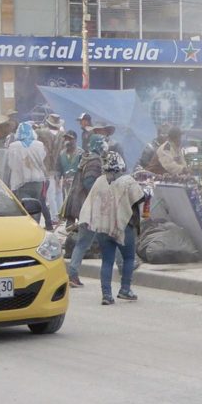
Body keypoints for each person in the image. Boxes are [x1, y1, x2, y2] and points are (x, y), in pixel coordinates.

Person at [79, 152, 145, 305]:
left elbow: (91, 203)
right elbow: (140, 198)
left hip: (103, 227)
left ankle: (106, 295)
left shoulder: (99, 181)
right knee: (128, 258)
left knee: (107, 261)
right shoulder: (127, 181)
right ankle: (125, 289)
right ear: (121, 167)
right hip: (124, 227)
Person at [63, 133, 107, 288]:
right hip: (89, 208)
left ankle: (73, 274)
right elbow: (89, 182)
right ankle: (73, 274)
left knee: (86, 242)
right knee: (87, 241)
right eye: (103, 143)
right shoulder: (95, 161)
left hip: (84, 206)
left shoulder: (86, 157)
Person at [7, 122, 53, 231]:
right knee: (35, 206)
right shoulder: (39, 145)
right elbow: (43, 159)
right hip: (38, 181)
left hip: (21, 182)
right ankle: (35, 228)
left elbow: (11, 164)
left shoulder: (14, 146)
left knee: (24, 208)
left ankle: (25, 230)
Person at [36, 113, 65, 225]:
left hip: (47, 167)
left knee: (50, 193)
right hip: (59, 166)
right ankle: (60, 215)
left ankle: (54, 217)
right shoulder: (63, 135)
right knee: (59, 192)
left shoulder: (41, 133)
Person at [56, 130, 83, 205]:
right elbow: (58, 169)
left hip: (78, 187)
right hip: (65, 187)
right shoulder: (61, 154)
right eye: (66, 139)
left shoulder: (81, 154)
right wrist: (58, 179)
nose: (68, 141)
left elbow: (84, 170)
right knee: (66, 207)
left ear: (76, 140)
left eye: (70, 139)